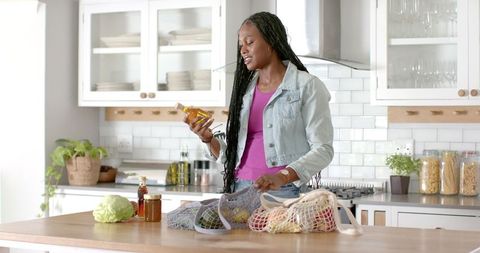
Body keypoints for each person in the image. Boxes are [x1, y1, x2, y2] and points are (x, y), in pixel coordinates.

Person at [184, 12, 333, 198]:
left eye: (250, 42)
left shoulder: (307, 86)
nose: (243, 50)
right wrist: (208, 139)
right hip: (239, 189)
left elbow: (323, 150)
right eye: (241, 45)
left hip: (284, 191)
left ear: (271, 42)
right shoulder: (244, 91)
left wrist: (281, 176)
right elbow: (230, 157)